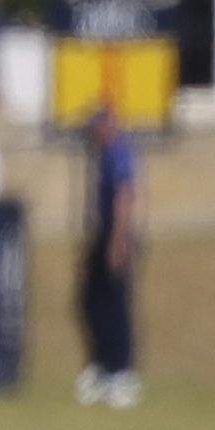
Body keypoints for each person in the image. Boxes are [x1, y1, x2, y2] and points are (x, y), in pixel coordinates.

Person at [72, 112, 144, 409]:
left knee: (116, 307)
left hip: (119, 237)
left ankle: (121, 373)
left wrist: (118, 242)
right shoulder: (104, 156)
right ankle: (102, 366)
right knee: (91, 302)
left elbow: (125, 197)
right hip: (104, 236)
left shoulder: (118, 153)